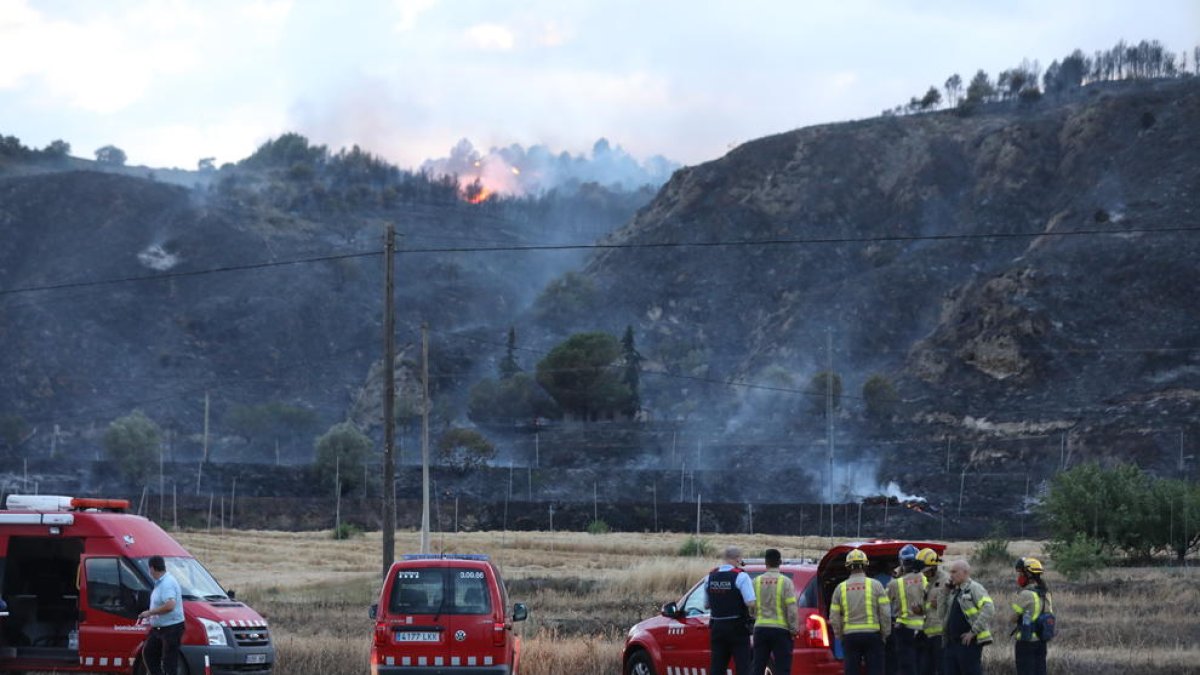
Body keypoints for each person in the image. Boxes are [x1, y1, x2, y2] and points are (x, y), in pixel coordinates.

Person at [830, 548, 890, 675]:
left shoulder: (840, 588)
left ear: (848, 567)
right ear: (865, 565)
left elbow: (834, 618)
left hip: (850, 637)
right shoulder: (876, 585)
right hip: (873, 636)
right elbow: (885, 614)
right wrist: (885, 634)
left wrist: (840, 636)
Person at [705, 546, 756, 675]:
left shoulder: (710, 577)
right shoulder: (741, 576)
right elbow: (750, 602)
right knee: (743, 667)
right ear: (738, 559)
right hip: (737, 628)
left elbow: (706, 605)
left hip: (717, 627)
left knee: (717, 667)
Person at [751, 548, 798, 675]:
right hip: (780, 631)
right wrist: (793, 629)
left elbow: (750, 606)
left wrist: (756, 618)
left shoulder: (756, 581)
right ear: (780, 562)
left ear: (765, 562)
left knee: (758, 667)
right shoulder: (786, 582)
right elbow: (792, 608)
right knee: (783, 668)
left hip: (760, 629)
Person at [942, 560, 993, 675]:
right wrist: (944, 592)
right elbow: (941, 614)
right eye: (950, 572)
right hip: (951, 643)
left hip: (968, 644)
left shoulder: (974, 588)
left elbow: (989, 608)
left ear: (965, 572)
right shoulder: (953, 592)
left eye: (954, 572)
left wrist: (973, 632)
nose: (951, 575)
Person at [138, 555, 185, 675]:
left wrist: (149, 613)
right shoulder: (160, 583)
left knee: (169, 661)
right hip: (159, 628)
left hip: (171, 628)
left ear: (152, 568)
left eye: (149, 569)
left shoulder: (167, 583)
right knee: (149, 652)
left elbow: (170, 605)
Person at [887, 545, 927, 675]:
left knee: (907, 667)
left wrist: (895, 575)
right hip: (926, 628)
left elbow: (882, 601)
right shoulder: (927, 578)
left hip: (904, 630)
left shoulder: (895, 583)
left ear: (902, 562)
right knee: (924, 664)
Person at [1009, 557, 1052, 675]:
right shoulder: (1046, 593)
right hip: (1041, 641)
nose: (1019, 576)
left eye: (1021, 573)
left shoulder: (1026, 594)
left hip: (1025, 642)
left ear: (1028, 574)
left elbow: (1012, 618)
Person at [916, 548, 949, 675]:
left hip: (941, 634)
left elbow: (955, 604)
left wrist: (941, 604)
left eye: (926, 571)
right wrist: (919, 609)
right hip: (928, 633)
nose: (924, 574)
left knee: (942, 669)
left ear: (933, 567)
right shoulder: (929, 584)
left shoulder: (946, 581)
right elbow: (928, 606)